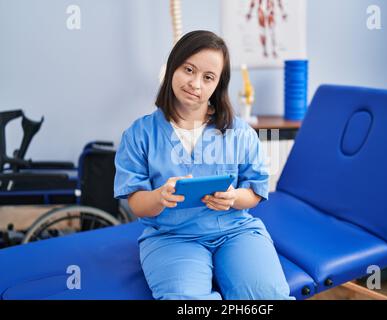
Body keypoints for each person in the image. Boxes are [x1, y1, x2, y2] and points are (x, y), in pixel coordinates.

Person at [114, 30, 293, 300]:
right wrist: (159, 196)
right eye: (189, 69)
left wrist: (233, 197)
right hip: (171, 237)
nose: (196, 83)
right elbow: (136, 202)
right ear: (173, 67)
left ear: (218, 85)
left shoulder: (239, 132)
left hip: (236, 232)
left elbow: (255, 192)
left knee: (267, 298)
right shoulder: (140, 134)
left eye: (208, 77)